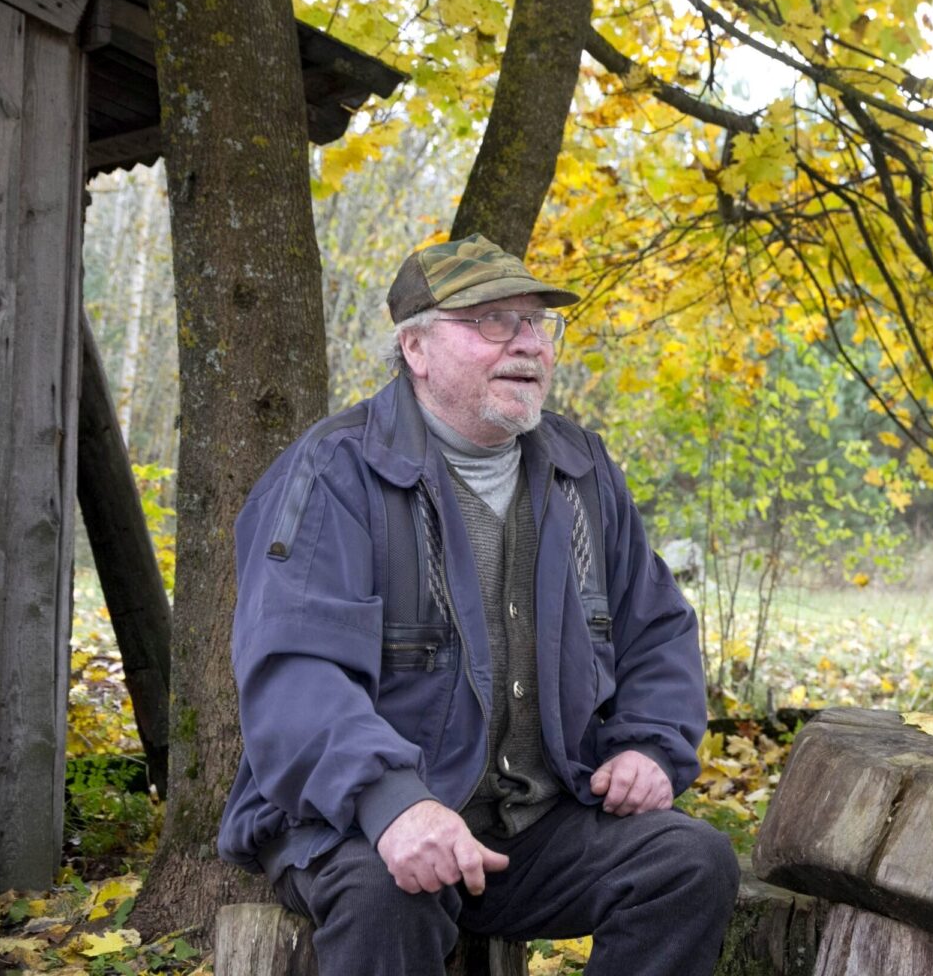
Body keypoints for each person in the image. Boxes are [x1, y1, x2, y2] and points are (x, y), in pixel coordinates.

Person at [218, 234, 738, 976]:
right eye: (493, 320)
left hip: (536, 824)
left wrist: (648, 745)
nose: (528, 343)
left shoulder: (583, 470)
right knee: (386, 897)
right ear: (416, 348)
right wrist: (393, 802)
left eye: (538, 323)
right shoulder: (335, 471)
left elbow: (655, 629)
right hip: (356, 822)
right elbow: (295, 674)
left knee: (690, 863)